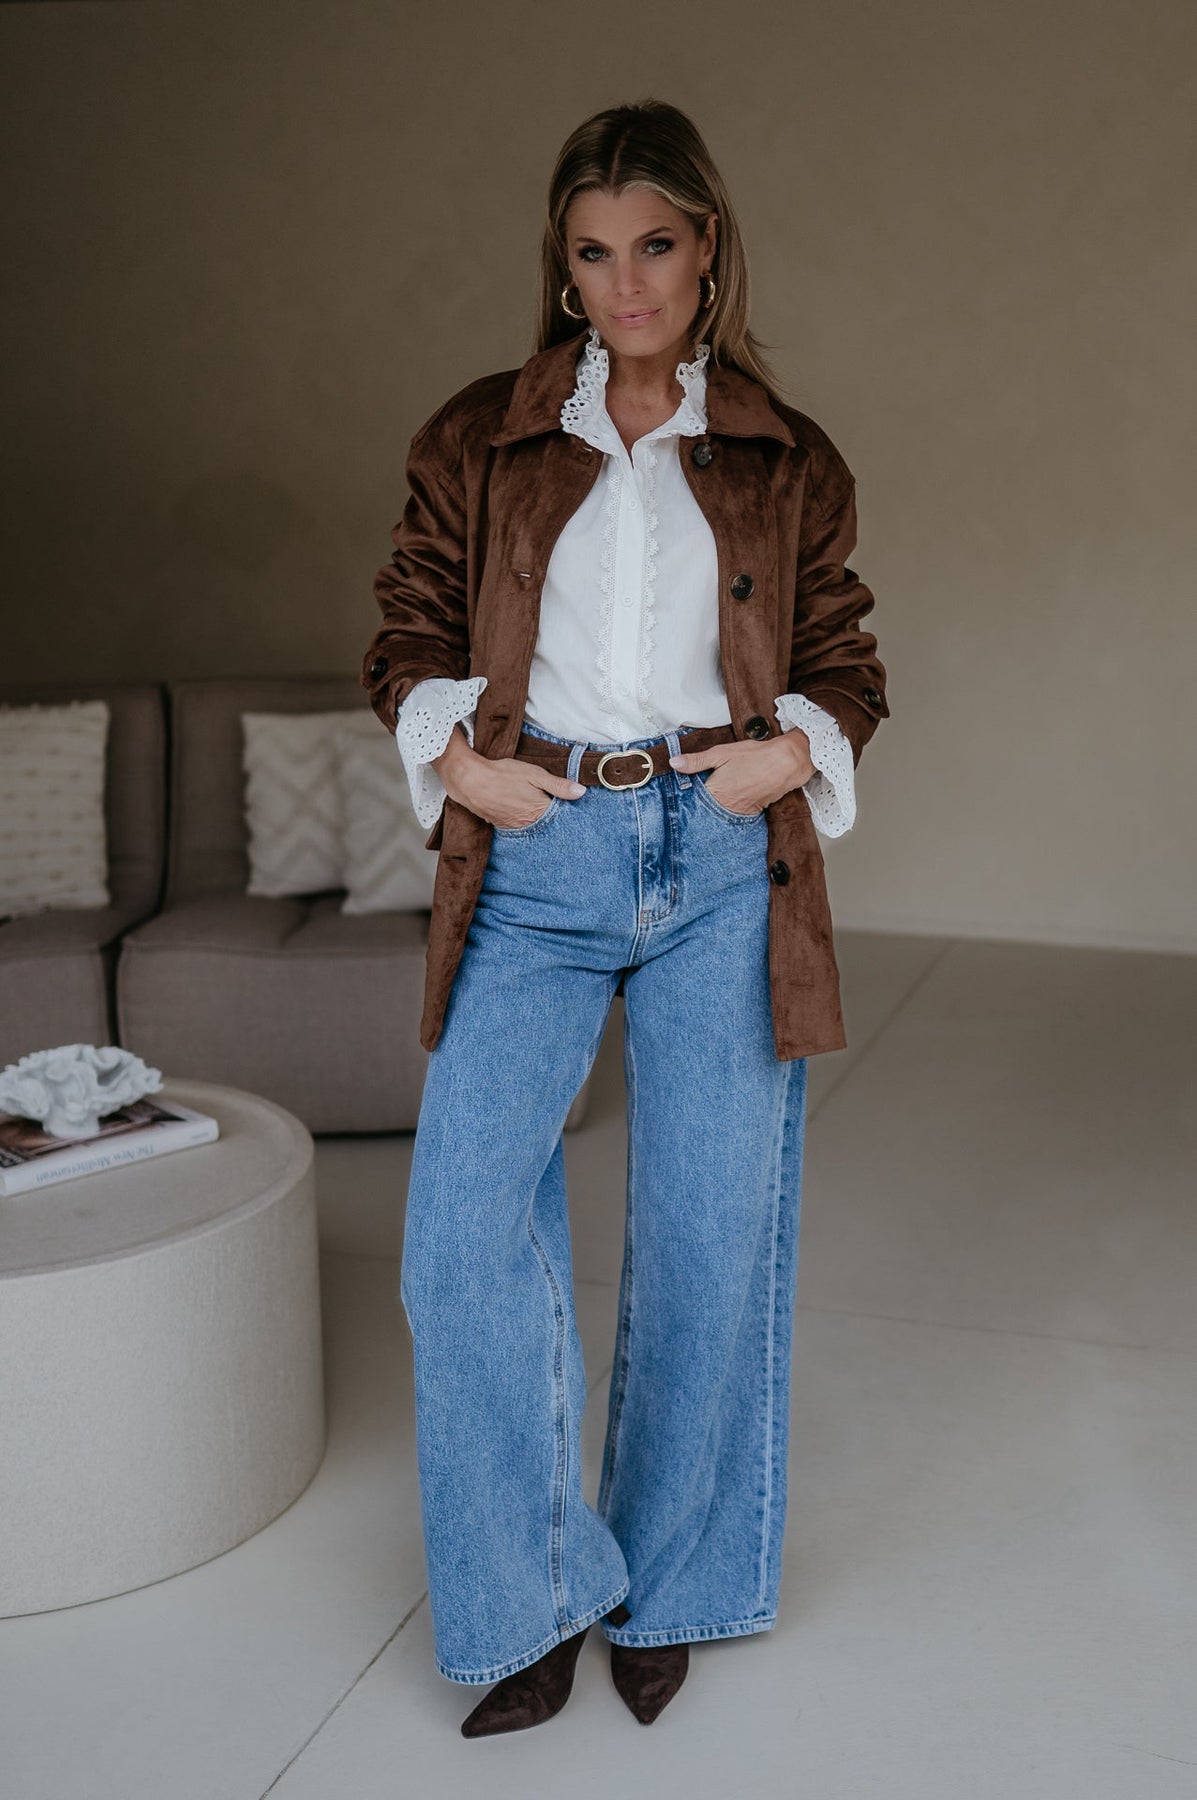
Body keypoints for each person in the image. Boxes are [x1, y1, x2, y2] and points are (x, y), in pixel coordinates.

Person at [361, 98, 888, 1739]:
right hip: (539, 856)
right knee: (461, 1237)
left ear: (707, 246)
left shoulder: (784, 453)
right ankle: (532, 1591)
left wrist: (784, 756)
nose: (626, 283)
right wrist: (465, 765)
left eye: (653, 245)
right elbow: (405, 627)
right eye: (592, 254)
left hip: (718, 859)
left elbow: (844, 657)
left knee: (711, 1236)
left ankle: (666, 1583)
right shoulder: (480, 437)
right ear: (562, 267)